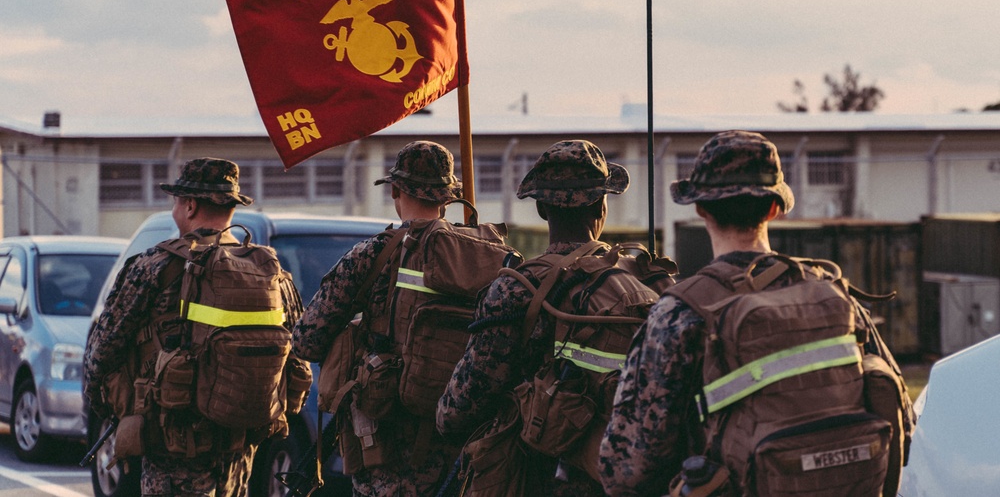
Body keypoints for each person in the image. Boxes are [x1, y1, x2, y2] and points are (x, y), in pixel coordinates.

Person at [599, 130, 914, 496]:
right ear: (774, 208)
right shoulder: (835, 295)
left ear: (700, 208)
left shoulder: (678, 313)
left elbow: (626, 471)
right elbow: (902, 422)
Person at [84, 158, 308, 497]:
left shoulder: (154, 267)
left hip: (172, 446)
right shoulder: (270, 271)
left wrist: (115, 408)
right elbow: (301, 346)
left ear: (189, 205)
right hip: (240, 442)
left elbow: (100, 353)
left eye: (176, 200)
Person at [437, 139, 639, 497]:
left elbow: (457, 412)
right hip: (621, 478)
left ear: (543, 208)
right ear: (602, 204)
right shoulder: (644, 284)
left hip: (532, 478)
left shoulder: (515, 289)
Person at [292, 140, 464, 497]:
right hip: (458, 443)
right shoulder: (482, 258)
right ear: (448, 198)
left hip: (387, 441)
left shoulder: (372, 255)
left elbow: (307, 339)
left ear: (396, 191)